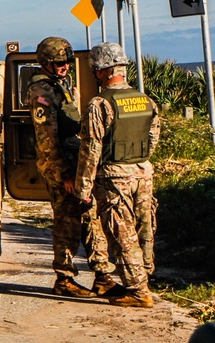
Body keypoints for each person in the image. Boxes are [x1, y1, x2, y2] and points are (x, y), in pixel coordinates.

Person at [27, 37, 116, 298]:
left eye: (67, 62)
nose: (64, 66)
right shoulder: (42, 91)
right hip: (61, 167)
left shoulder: (60, 86)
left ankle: (102, 275)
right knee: (67, 222)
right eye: (58, 63)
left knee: (91, 218)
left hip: (76, 164)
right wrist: (64, 174)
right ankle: (64, 277)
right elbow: (46, 139)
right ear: (46, 64)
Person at [75, 42, 160, 308]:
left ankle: (138, 290)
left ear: (101, 70)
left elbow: (91, 149)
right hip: (143, 171)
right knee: (144, 227)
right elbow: (152, 138)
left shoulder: (100, 104)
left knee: (122, 232)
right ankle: (144, 275)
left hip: (114, 176)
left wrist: (83, 188)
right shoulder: (145, 100)